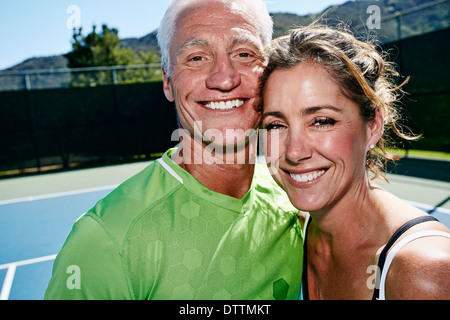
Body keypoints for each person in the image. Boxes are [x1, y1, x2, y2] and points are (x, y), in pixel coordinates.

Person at [45, 0, 303, 300]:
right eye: (196, 57)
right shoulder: (104, 241)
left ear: (267, 73)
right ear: (168, 82)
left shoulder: (296, 204)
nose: (224, 78)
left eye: (244, 54)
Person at [259, 25, 450, 300]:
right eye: (276, 125)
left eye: (322, 121)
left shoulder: (423, 272)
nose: (294, 151)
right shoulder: (292, 232)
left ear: (373, 125)